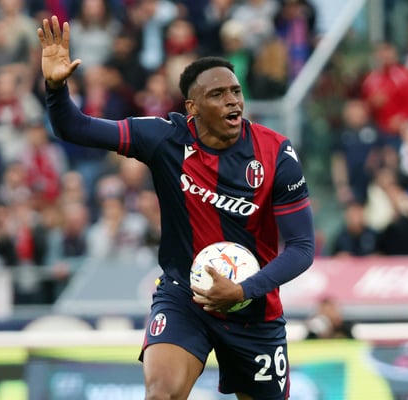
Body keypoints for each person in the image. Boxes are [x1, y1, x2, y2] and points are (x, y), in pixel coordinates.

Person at [38, 15, 315, 400]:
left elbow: (302, 247)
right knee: (161, 394)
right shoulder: (164, 138)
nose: (232, 100)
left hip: (253, 309)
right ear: (192, 107)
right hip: (185, 296)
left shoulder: (276, 153)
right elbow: (75, 127)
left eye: (235, 91)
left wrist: (242, 290)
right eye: (218, 94)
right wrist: (55, 88)